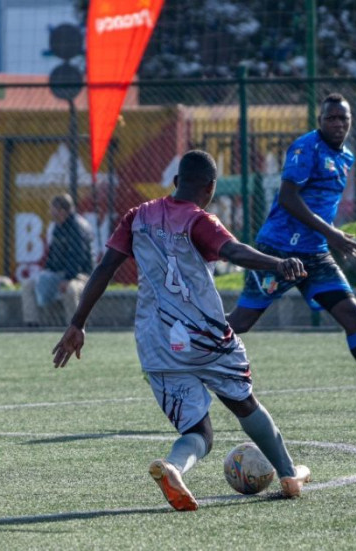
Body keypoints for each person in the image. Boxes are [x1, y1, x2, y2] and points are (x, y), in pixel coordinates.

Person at [52, 150, 312, 511]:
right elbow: (233, 251)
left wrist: (77, 323)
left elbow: (105, 268)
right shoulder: (199, 219)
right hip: (204, 336)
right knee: (242, 400)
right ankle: (288, 474)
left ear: (175, 183)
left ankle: (174, 467)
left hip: (156, 341)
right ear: (210, 188)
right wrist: (278, 264)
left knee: (198, 432)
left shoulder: (137, 216)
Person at [226, 94, 356, 423]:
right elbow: (288, 198)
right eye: (331, 118)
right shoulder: (306, 148)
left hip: (315, 254)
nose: (338, 124)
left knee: (353, 316)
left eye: (343, 118)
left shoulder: (346, 158)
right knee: (241, 323)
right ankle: (179, 352)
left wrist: (327, 236)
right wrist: (331, 233)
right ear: (320, 121)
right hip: (279, 251)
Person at [21, 194, 94, 326]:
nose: (50, 212)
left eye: (53, 209)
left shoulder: (77, 227)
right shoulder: (57, 227)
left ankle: (75, 327)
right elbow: (53, 256)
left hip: (80, 275)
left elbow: (77, 257)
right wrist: (46, 274)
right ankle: (32, 324)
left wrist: (67, 278)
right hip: (59, 275)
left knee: (71, 290)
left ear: (62, 211)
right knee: (28, 285)